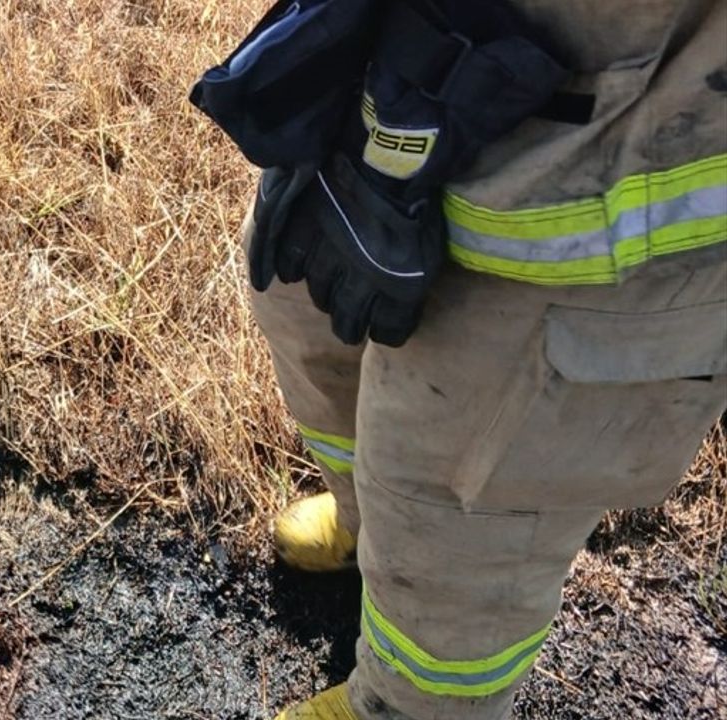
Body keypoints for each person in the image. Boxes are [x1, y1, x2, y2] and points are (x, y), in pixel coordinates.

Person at [248, 1, 727, 718]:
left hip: (600, 203)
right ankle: (365, 522)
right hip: (400, 93)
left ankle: (406, 709)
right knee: (307, 313)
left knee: (466, 513)